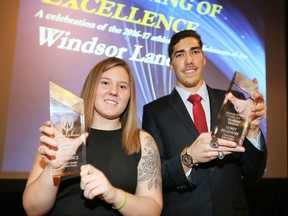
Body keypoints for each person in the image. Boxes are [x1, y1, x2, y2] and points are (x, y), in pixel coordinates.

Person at [142, 30, 267, 216]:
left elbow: (253, 173)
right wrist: (189, 157)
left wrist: (253, 130)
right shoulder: (154, 112)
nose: (189, 60)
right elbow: (153, 178)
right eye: (179, 54)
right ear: (170, 64)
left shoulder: (234, 101)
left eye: (195, 52)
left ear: (204, 58)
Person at [23, 57, 163, 216]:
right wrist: (54, 168)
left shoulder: (143, 141)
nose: (114, 91)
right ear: (91, 87)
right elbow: (32, 209)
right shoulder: (63, 133)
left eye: (122, 86)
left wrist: (114, 195)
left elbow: (153, 210)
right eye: (105, 83)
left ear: (129, 96)